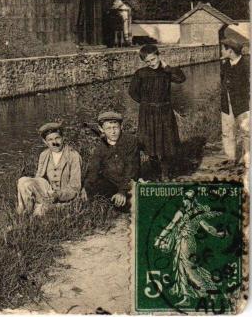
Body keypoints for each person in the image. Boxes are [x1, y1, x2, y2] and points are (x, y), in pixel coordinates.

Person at [153, 190, 227, 308]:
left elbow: (207, 227)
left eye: (188, 198)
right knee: (180, 268)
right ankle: (186, 297)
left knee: (189, 269)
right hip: (181, 242)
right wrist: (160, 238)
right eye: (185, 198)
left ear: (192, 201)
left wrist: (217, 234)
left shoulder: (194, 213)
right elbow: (171, 226)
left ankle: (211, 290)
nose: (185, 200)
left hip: (186, 243)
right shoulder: (185, 213)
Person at [129, 44, 186, 180]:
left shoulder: (166, 72)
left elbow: (181, 79)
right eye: (147, 61)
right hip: (147, 113)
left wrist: (167, 67)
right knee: (150, 143)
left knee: (166, 143)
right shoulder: (141, 73)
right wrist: (145, 103)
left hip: (164, 111)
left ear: (159, 56)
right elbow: (132, 91)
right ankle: (155, 172)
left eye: (153, 59)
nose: (151, 63)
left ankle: (165, 173)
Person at [17, 122, 83, 216]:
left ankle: (37, 210)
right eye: (50, 139)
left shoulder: (73, 156)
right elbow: (39, 179)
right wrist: (41, 193)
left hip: (66, 198)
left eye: (57, 138)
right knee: (23, 181)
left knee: (40, 212)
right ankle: (26, 212)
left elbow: (75, 187)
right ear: (45, 142)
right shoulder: (44, 155)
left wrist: (57, 195)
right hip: (48, 194)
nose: (54, 142)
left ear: (63, 138)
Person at [84, 111, 142, 210]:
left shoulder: (130, 141)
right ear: (101, 129)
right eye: (108, 128)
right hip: (111, 183)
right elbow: (93, 168)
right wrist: (86, 187)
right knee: (92, 186)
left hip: (129, 183)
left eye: (115, 127)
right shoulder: (101, 147)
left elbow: (131, 169)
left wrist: (122, 191)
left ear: (121, 126)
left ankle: (122, 202)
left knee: (134, 202)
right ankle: (111, 202)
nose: (113, 132)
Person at [219, 37, 249, 163]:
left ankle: (247, 159)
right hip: (227, 104)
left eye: (223, 49)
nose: (221, 51)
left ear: (230, 51)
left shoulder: (246, 65)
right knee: (227, 132)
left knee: (246, 132)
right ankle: (231, 158)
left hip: (243, 105)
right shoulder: (225, 65)